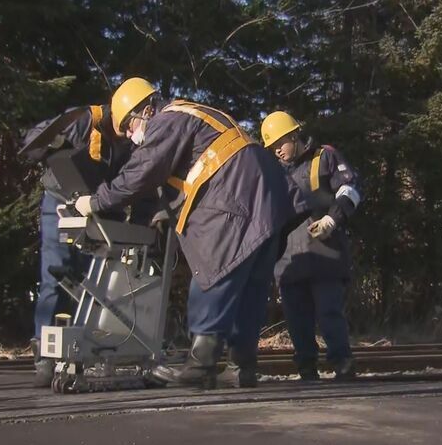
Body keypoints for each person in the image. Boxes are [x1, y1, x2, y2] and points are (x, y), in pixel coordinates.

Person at [75, 78, 302, 389]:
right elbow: (178, 180)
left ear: (147, 109)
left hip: (235, 197)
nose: (130, 135)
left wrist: (97, 200)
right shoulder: (198, 116)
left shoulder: (168, 119)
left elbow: (142, 172)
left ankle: (201, 364)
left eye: (128, 125)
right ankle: (241, 366)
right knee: (250, 286)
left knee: (213, 271)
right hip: (267, 197)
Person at [22, 104, 133, 387]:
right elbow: (34, 142)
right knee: (55, 276)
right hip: (60, 202)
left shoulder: (126, 143)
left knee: (93, 282)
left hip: (97, 210)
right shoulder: (83, 119)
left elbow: (128, 183)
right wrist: (56, 142)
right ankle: (45, 355)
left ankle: (84, 350)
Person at [260, 110, 360, 380]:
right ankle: (306, 368)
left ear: (294, 135)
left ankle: (342, 363)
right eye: (272, 147)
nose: (277, 151)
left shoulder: (325, 157)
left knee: (329, 312)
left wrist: (332, 219)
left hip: (324, 255)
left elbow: (350, 190)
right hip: (290, 261)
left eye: (280, 143)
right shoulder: (273, 174)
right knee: (297, 320)